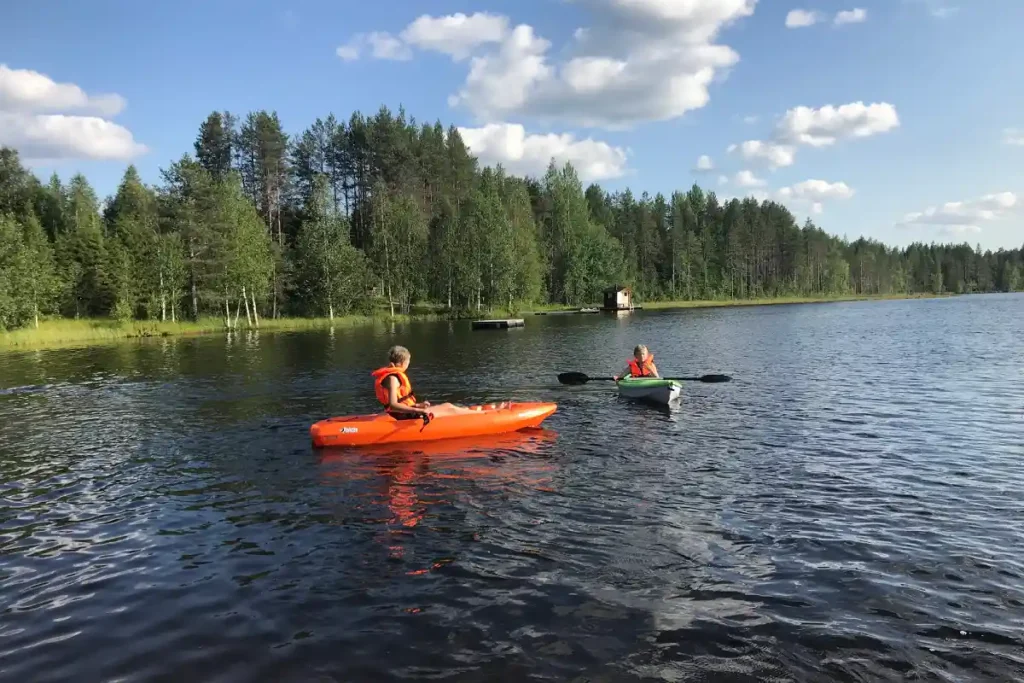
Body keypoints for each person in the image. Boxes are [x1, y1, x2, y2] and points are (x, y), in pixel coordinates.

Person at [372, 345, 506, 420]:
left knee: (449, 407)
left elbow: (400, 402)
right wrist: (417, 410)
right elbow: (394, 405)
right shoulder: (393, 378)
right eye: (408, 362)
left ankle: (477, 414)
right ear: (402, 363)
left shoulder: (391, 375)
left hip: (406, 413)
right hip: (403, 416)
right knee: (449, 407)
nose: (409, 364)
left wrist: (418, 405)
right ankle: (487, 415)